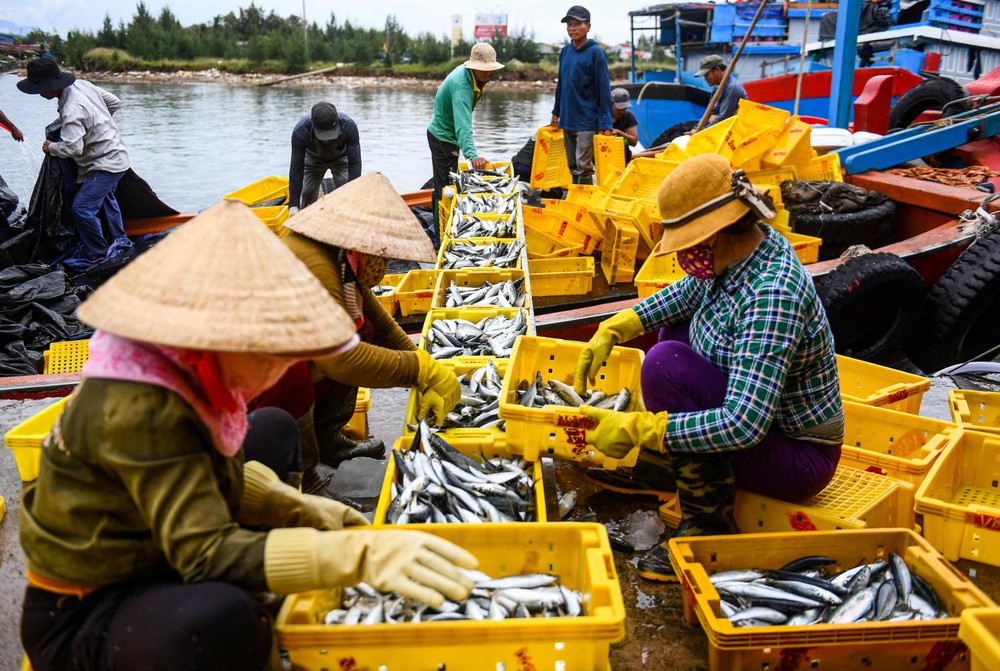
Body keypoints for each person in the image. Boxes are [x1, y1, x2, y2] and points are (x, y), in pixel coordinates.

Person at [19, 200, 477, 670]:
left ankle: (262, 569)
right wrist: (350, 556)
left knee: (274, 428)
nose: (283, 362)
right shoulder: (145, 407)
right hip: (86, 606)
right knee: (229, 618)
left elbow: (213, 475)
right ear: (224, 337)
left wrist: (301, 509)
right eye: (273, 348)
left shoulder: (183, 367)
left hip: (155, 544)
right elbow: (203, 551)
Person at [574, 154, 843, 582]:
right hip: (764, 431)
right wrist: (620, 325)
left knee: (665, 363)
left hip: (798, 457)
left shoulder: (771, 293)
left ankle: (708, 523)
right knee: (671, 335)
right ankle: (681, 463)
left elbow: (744, 424)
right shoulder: (745, 250)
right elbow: (686, 293)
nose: (683, 255)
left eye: (687, 243)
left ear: (715, 234)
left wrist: (645, 430)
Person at [280, 172, 462, 494]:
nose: (385, 257)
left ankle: (328, 441)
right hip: (272, 378)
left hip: (304, 360)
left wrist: (424, 365)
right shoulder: (318, 265)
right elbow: (343, 359)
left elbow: (380, 326)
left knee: (363, 332)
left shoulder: (339, 258)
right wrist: (419, 370)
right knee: (300, 373)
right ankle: (305, 478)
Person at [17, 56, 131, 263]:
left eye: (40, 88)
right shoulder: (81, 84)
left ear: (51, 86)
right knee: (106, 200)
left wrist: (51, 147)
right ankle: (119, 239)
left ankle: (97, 254)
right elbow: (114, 102)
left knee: (82, 208)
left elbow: (73, 147)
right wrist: (99, 124)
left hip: (105, 163)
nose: (40, 93)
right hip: (116, 152)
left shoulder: (71, 110)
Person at [426, 42, 505, 245]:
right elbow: (463, 126)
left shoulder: (472, 76)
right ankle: (440, 237)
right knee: (446, 190)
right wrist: (472, 155)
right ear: (473, 67)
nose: (487, 74)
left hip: (447, 135)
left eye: (490, 70)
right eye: (484, 70)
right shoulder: (462, 87)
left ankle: (442, 228)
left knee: (445, 185)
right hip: (443, 137)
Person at [551, 5, 613, 185]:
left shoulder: (596, 52)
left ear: (588, 26)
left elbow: (603, 89)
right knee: (571, 163)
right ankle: (576, 197)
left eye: (577, 24)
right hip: (568, 118)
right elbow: (561, 84)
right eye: (569, 24)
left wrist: (606, 123)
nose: (572, 28)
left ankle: (584, 199)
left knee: (583, 163)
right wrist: (556, 113)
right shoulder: (565, 52)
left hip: (587, 119)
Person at [288, 101, 362, 214]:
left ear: (337, 117)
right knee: (308, 192)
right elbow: (296, 168)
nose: (327, 139)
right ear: (312, 121)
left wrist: (353, 197)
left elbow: (355, 163)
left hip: (340, 159)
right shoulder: (301, 131)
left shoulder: (349, 126)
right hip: (313, 160)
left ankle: (345, 215)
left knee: (345, 186)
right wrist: (293, 204)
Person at [694, 54, 747, 126]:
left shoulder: (732, 87)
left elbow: (724, 118)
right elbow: (710, 113)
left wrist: (701, 131)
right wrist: (696, 128)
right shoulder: (717, 87)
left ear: (717, 70)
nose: (705, 78)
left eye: (707, 75)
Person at [611, 88, 639, 162]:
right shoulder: (600, 116)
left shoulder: (628, 116)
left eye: (625, 108)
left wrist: (620, 133)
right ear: (611, 104)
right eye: (619, 108)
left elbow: (634, 142)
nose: (622, 111)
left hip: (622, 157)